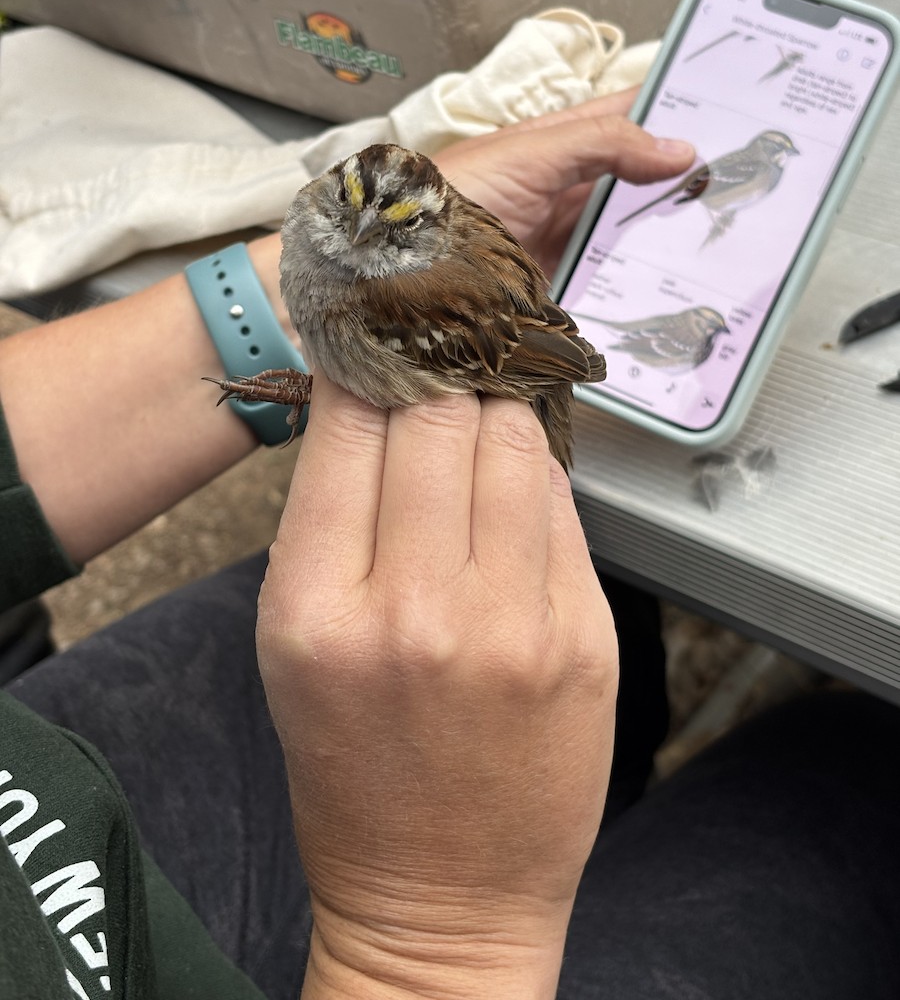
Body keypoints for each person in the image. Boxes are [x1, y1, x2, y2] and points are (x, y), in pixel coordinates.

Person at [2, 94, 899, 999]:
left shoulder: (410, 291)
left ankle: (609, 773)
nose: (352, 246)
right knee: (850, 761)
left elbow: (506, 348)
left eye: (391, 235)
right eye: (334, 218)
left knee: (571, 603)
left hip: (504, 366)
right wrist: (429, 948)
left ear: (430, 221)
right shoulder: (364, 258)